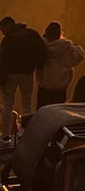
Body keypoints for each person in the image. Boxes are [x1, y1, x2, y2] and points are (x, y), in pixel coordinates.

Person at [1, 15, 47, 143]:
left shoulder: (8, 40)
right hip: (27, 74)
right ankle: (23, 133)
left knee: (7, 104)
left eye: (2, 29)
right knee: (26, 102)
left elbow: (2, 61)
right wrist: (39, 68)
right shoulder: (31, 34)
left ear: (8, 25)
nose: (2, 32)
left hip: (10, 75)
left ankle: (5, 136)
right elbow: (42, 50)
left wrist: (2, 81)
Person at [35, 21, 85, 109]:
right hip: (60, 88)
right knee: (58, 114)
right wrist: (76, 46)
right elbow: (80, 55)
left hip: (44, 86)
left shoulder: (41, 47)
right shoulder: (67, 48)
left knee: (42, 113)